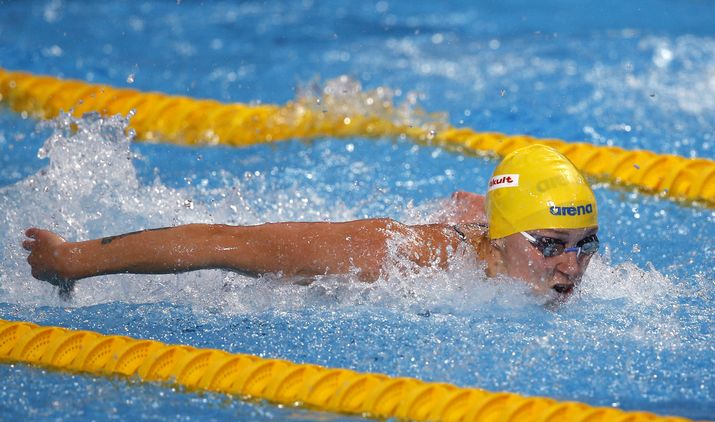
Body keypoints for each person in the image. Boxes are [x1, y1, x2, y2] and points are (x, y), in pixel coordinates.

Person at [23, 144, 599, 300]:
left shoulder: (526, 257)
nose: (571, 267)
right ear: (502, 237)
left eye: (586, 245)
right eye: (551, 245)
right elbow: (221, 243)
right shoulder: (401, 259)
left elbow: (478, 206)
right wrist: (73, 260)